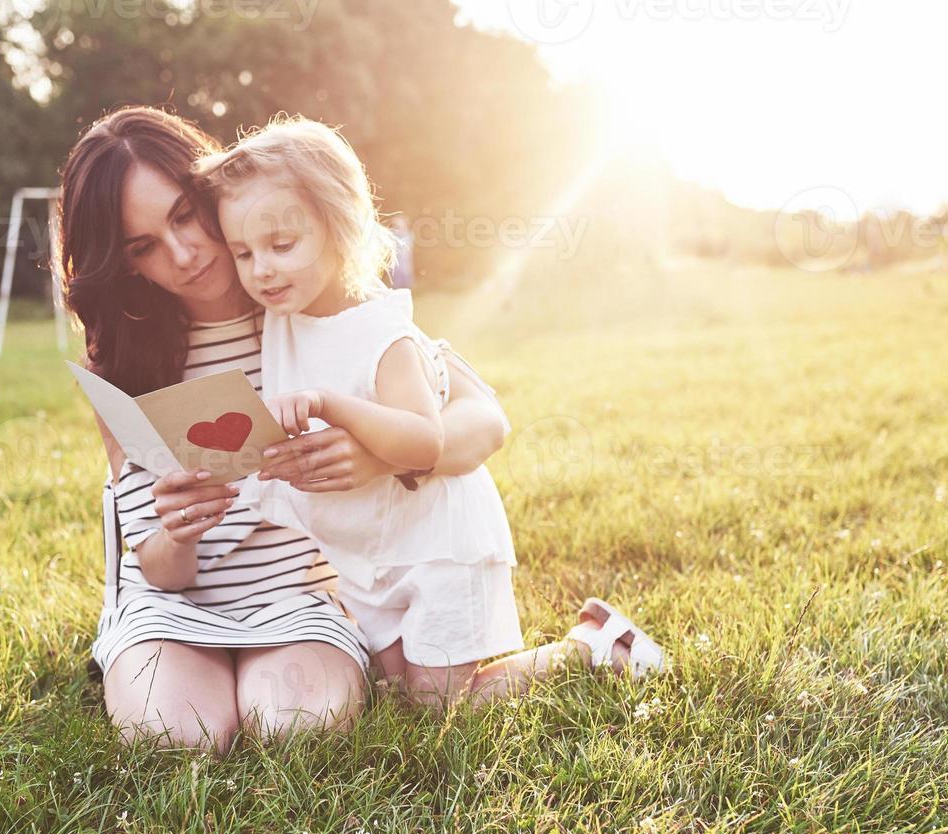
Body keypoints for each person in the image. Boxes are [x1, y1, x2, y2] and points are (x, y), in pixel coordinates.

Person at [57, 107, 519, 754]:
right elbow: (156, 565)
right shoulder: (127, 363)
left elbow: (482, 419)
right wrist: (177, 530)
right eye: (144, 247)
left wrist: (376, 457)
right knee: (173, 738)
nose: (184, 255)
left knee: (297, 729)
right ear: (124, 262)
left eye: (185, 216)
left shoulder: (306, 297)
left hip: (296, 600)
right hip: (173, 609)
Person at [193, 116, 665, 711]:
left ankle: (590, 646)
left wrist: (331, 405)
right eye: (244, 252)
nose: (261, 268)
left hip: (435, 542)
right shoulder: (285, 316)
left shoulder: (383, 334)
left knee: (442, 702)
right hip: (368, 547)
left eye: (281, 246)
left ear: (341, 229)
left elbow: (422, 442)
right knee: (394, 692)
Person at [388, 214, 415, 289]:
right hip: (396, 263)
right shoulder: (393, 235)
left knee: (405, 277)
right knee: (396, 279)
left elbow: (405, 247)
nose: (396, 229)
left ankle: (405, 289)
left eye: (399, 226)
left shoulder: (407, 236)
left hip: (404, 262)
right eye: (395, 226)